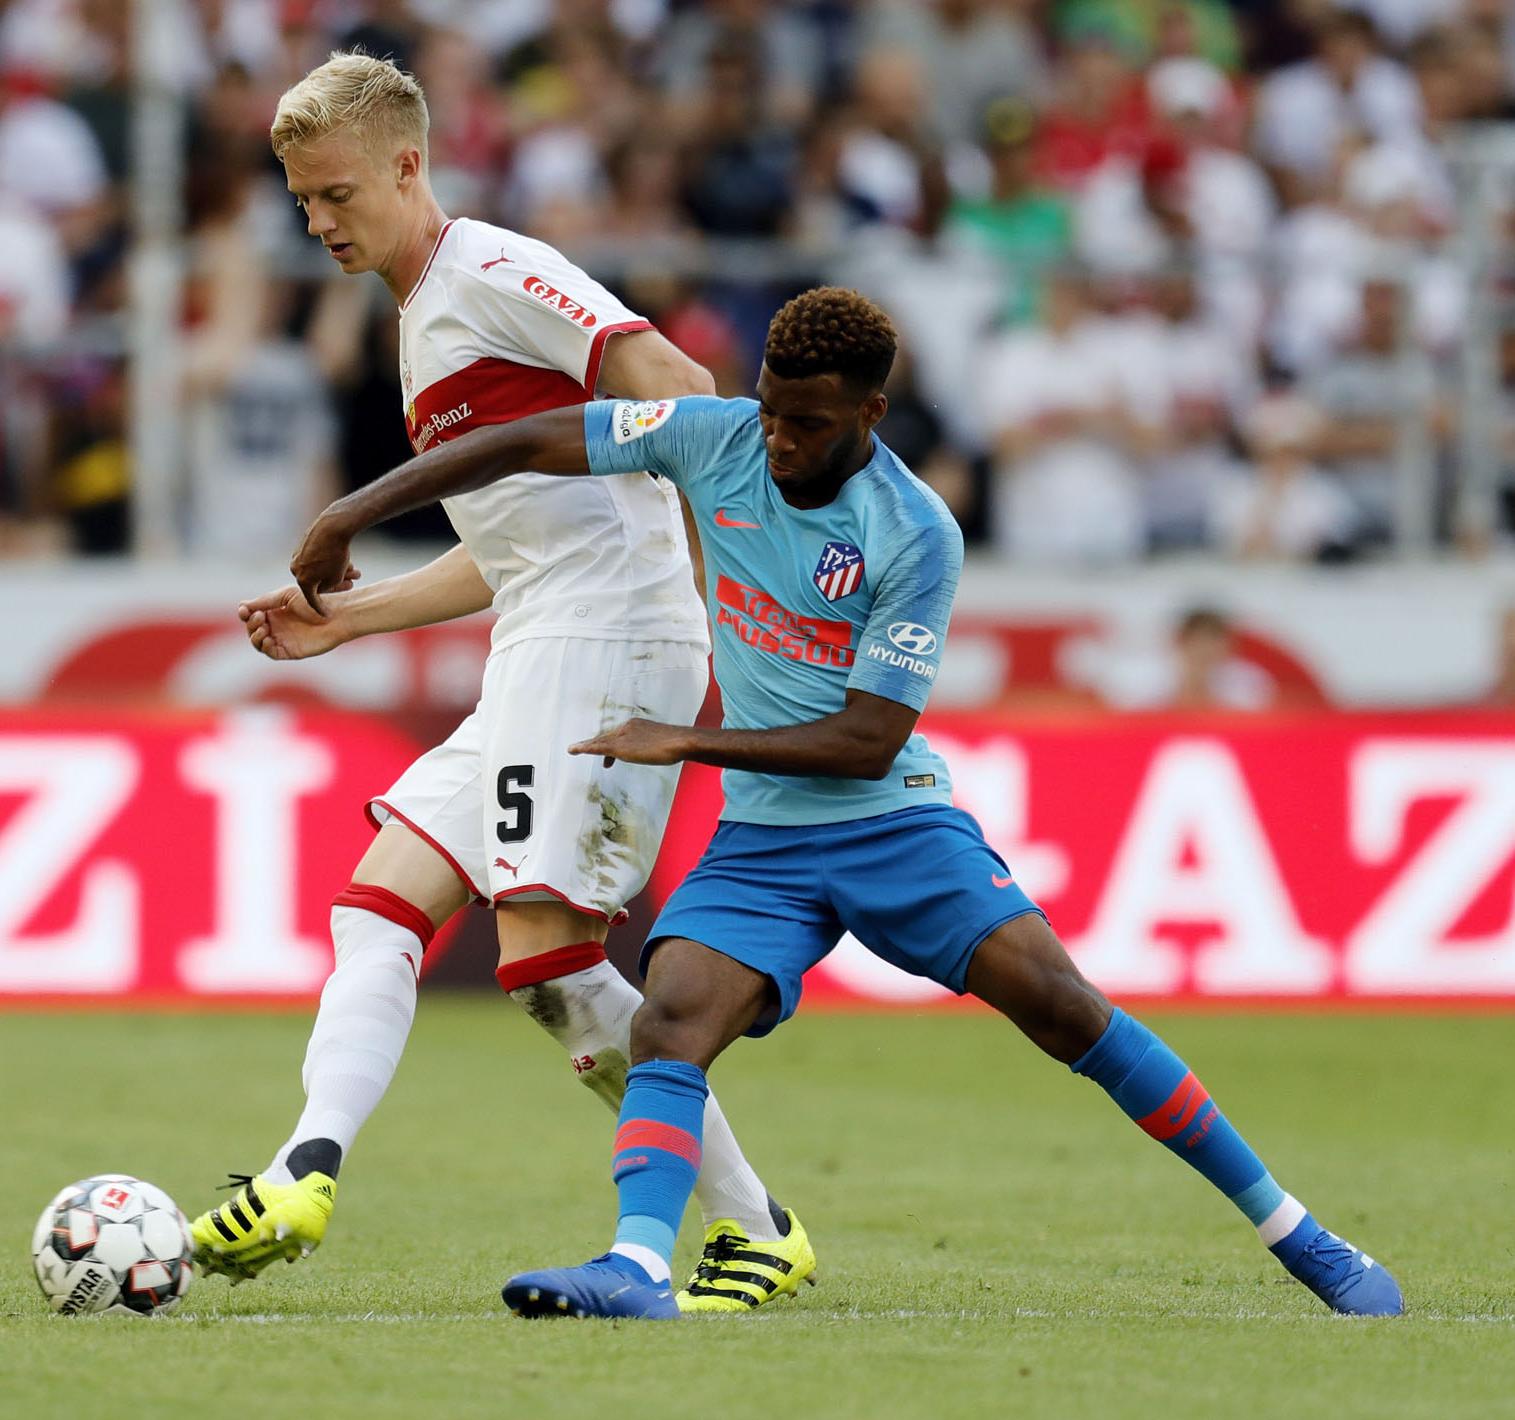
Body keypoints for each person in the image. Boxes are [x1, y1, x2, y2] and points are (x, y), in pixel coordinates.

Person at [287, 286, 1404, 1322]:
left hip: (892, 823)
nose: (777, 440)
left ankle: (1302, 1236)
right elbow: (529, 439)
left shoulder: (914, 530)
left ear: (870, 411)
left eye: (808, 424)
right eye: (771, 411)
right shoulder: (712, 436)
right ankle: (635, 1265)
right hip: (766, 839)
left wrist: (689, 737)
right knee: (672, 1017)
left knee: (1065, 1010)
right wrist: (354, 509)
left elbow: (870, 739)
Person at [189, 53, 814, 1314]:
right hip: (539, 637)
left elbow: (682, 394)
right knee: (379, 906)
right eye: (302, 201)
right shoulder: (423, 314)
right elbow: (516, 545)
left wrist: (733, 591)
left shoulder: (493, 271)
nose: (317, 223)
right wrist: (347, 619)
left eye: (335, 195)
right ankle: (303, 1169)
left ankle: (756, 1226)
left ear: (409, 166)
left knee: (551, 961)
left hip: (610, 642)